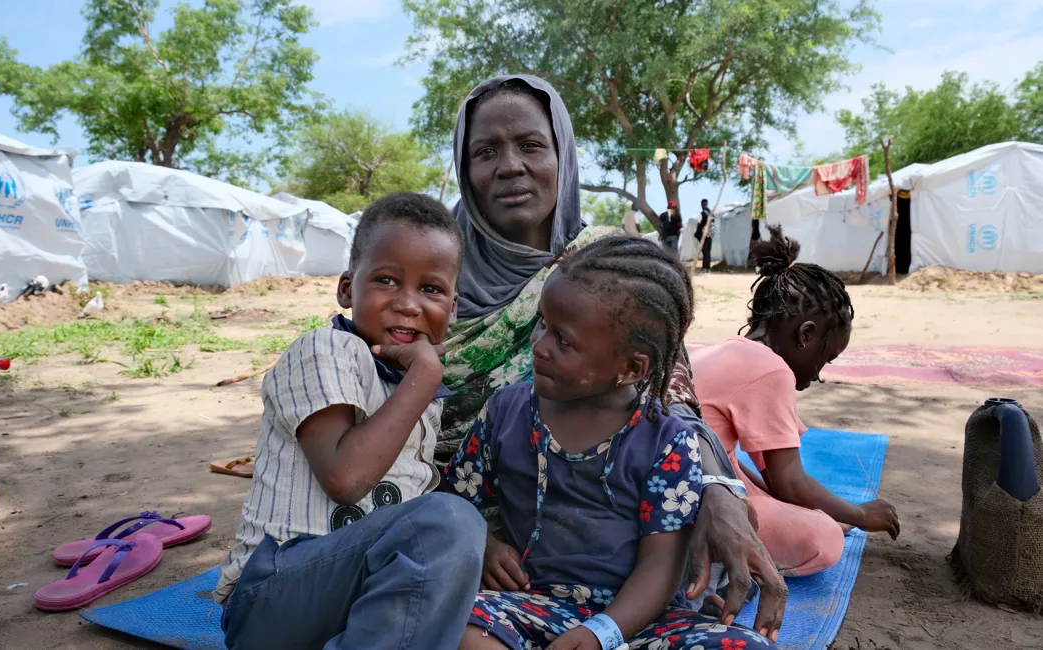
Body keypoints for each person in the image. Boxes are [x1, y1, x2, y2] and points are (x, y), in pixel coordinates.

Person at [442, 74, 786, 642]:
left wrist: (719, 491)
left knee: (790, 543)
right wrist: (466, 536)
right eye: (485, 151)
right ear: (464, 165)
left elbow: (672, 403)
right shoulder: (426, 275)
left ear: (563, 155)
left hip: (639, 539)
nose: (508, 166)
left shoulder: (611, 270)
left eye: (531, 145)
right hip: (493, 548)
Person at [447, 236, 772, 650]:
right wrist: (483, 544)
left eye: (563, 341)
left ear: (631, 368)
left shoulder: (667, 441)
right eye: (542, 324)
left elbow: (662, 566)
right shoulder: (504, 413)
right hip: (525, 605)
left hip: (636, 620)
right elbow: (453, 503)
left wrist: (601, 634)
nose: (539, 346)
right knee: (456, 623)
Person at [215, 193, 486, 650]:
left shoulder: (414, 387)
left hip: (353, 604)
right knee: (448, 522)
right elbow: (346, 478)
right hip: (271, 597)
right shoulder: (324, 350)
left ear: (454, 309)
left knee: (460, 535)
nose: (407, 304)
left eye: (431, 289)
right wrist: (425, 374)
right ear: (346, 289)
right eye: (386, 280)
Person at [689, 224, 900, 578]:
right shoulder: (770, 370)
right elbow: (789, 482)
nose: (820, 374)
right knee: (823, 538)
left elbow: (766, 476)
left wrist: (829, 508)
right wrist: (858, 516)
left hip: (664, 481)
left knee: (743, 474)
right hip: (689, 500)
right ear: (806, 335)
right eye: (826, 357)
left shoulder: (723, 351)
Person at [695, 198, 715, 272]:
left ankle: (704, 268)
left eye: (702, 204)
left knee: (705, 251)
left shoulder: (703, 213)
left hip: (704, 235)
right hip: (710, 235)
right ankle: (708, 268)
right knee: (708, 252)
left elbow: (699, 224)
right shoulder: (711, 213)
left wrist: (697, 233)